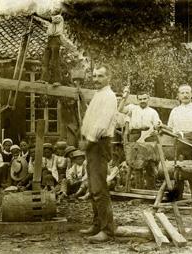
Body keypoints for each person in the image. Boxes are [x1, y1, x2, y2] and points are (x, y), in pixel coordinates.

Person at [79, 64, 117, 243]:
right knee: (93, 187)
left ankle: (107, 230)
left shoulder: (109, 96)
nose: (96, 79)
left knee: (99, 188)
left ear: (108, 77)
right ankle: (96, 224)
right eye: (94, 76)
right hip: (91, 142)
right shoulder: (98, 95)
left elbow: (102, 122)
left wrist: (89, 140)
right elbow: (90, 119)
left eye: (100, 76)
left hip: (99, 143)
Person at [119, 89, 161, 189]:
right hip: (134, 135)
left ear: (148, 98)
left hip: (148, 136)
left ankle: (151, 188)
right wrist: (125, 97)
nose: (142, 101)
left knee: (150, 162)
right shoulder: (132, 108)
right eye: (140, 99)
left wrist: (157, 130)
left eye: (145, 98)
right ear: (137, 100)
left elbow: (157, 126)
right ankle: (139, 189)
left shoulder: (153, 112)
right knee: (136, 162)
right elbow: (120, 109)